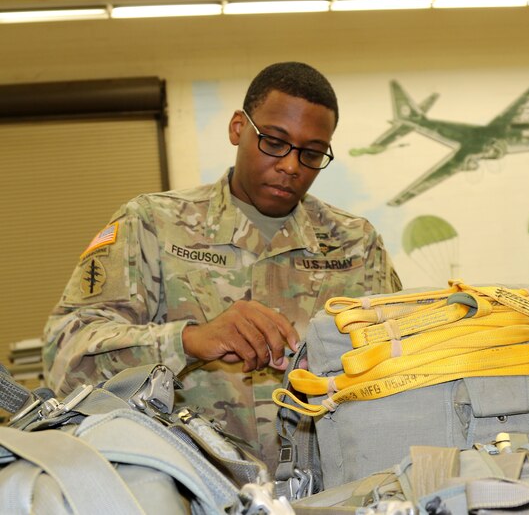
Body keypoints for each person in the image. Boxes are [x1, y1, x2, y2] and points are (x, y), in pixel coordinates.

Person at [42, 62, 403, 472]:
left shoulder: (357, 243)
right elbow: (63, 358)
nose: (291, 166)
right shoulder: (152, 224)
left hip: (329, 491)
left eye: (312, 153)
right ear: (237, 128)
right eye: (274, 141)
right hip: (192, 487)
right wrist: (190, 340)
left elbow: (404, 362)